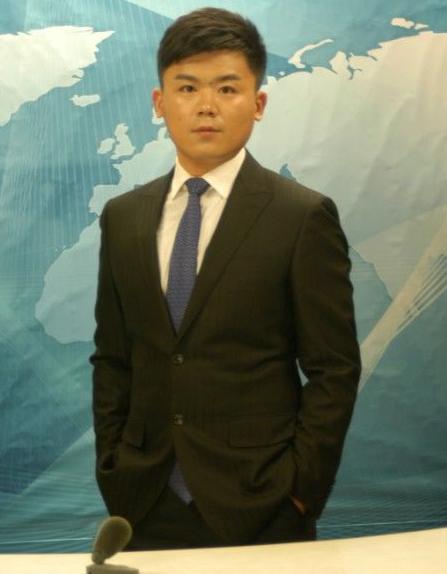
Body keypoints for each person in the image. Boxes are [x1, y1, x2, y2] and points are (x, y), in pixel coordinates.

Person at [91, 7, 361, 550]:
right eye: (187, 87)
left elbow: (333, 368)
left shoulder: (301, 216)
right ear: (159, 102)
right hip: (143, 500)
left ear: (258, 104)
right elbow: (114, 358)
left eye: (228, 88)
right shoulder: (123, 217)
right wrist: (115, 469)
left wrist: (299, 492)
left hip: (263, 501)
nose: (206, 106)